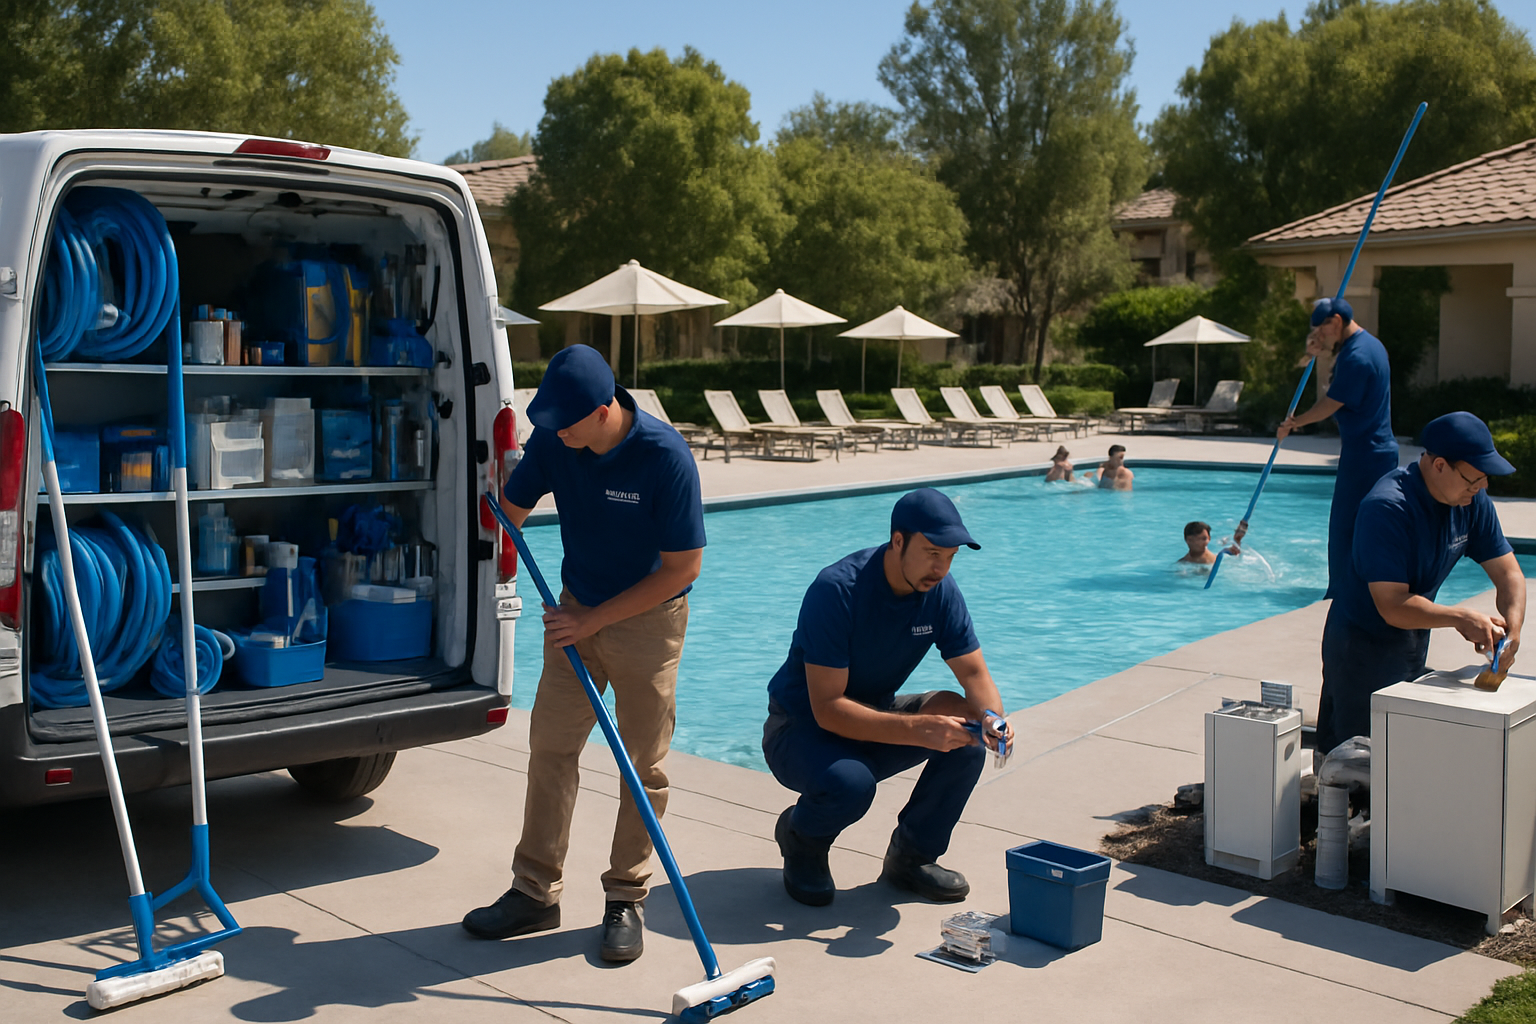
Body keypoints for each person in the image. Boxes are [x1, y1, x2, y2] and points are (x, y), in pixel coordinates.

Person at [463, 344, 706, 964]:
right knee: (550, 746)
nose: (554, 430)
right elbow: (510, 511)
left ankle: (626, 896)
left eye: (566, 421)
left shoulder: (665, 458)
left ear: (604, 412)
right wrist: (495, 510)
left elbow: (683, 569)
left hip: (646, 621)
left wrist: (591, 620)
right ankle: (535, 893)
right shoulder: (556, 439)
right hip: (576, 612)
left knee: (641, 766)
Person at [762, 489, 1014, 907]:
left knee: (967, 734)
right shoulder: (838, 590)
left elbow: (973, 671)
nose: (941, 567)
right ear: (898, 541)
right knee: (851, 783)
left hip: (874, 714)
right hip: (801, 728)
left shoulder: (941, 591)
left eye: (950, 556)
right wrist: (917, 728)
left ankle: (911, 858)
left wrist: (993, 720)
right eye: (932, 552)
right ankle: (802, 837)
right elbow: (828, 709)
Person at [1315, 412, 1526, 756]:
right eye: (1474, 478)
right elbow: (1392, 604)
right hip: (1360, 645)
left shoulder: (1470, 502)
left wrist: (1512, 631)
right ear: (1440, 465)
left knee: (1404, 749)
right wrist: (1461, 618)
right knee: (1356, 758)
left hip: (1412, 637)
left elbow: (1509, 574)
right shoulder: (1387, 508)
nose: (1482, 486)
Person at [1276, 297, 1397, 597]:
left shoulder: (1357, 357)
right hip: (1374, 448)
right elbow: (1338, 388)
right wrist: (1316, 354)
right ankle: (1365, 587)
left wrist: (1295, 422)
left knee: (1344, 525)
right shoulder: (1369, 346)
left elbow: (1331, 402)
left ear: (1337, 322)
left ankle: (1340, 592)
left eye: (1322, 328)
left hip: (1365, 452)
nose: (1320, 334)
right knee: (1370, 523)